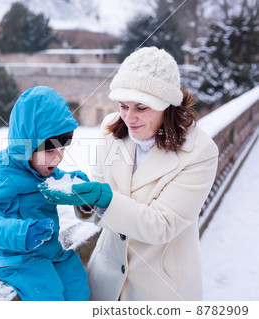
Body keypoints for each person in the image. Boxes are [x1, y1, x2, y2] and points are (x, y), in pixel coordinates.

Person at [40, 47, 219, 300]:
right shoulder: (111, 130)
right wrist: (86, 199)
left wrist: (106, 199)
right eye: (123, 105)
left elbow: (163, 225)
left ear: (167, 105)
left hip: (161, 290)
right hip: (106, 282)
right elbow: (100, 202)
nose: (129, 117)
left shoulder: (200, 151)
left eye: (141, 108)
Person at [0, 86, 90, 301]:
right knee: (48, 292)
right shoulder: (2, 171)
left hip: (46, 250)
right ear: (26, 145)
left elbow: (56, 179)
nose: (58, 158)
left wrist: (73, 184)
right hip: (11, 256)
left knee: (75, 279)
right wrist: (21, 233)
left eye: (63, 149)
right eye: (50, 150)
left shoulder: (41, 166)